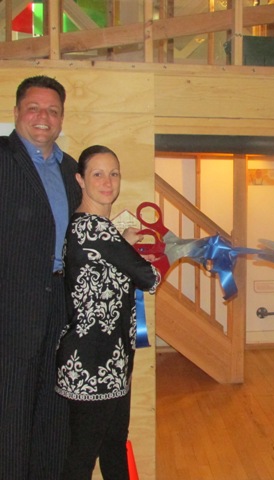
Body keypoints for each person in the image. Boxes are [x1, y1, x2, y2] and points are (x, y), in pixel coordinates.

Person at [55, 145, 164, 480]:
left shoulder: (97, 229)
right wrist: (166, 252)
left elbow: (107, 264)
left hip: (110, 361)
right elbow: (150, 277)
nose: (107, 181)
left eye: (113, 173)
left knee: (114, 446)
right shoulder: (94, 228)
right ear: (80, 180)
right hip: (91, 363)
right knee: (82, 459)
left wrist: (123, 243)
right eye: (97, 174)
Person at [0, 75, 82, 479]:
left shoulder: (72, 170)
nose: (43, 117)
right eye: (34, 107)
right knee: (10, 414)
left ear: (62, 118)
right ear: (17, 112)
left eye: (52, 110)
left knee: (54, 411)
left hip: (60, 307)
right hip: (10, 308)